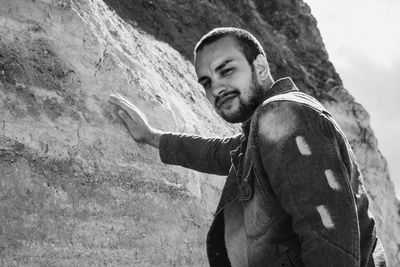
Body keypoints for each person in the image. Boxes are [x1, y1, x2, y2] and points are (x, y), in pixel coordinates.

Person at [109, 27, 386, 266]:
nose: (216, 89)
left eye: (226, 70)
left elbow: (327, 238)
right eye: (207, 82)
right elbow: (220, 153)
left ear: (261, 67)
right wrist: (151, 136)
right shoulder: (269, 125)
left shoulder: (283, 115)